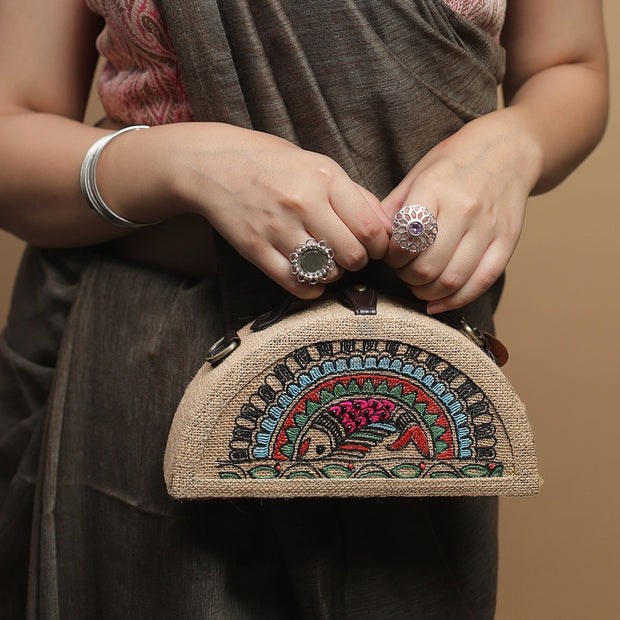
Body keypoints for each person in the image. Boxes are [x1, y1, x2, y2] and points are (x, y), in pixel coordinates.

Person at [0, 0, 608, 618]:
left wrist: (510, 143)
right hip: (151, 356)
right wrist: (181, 161)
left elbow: (570, 65)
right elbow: (11, 129)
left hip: (418, 373)